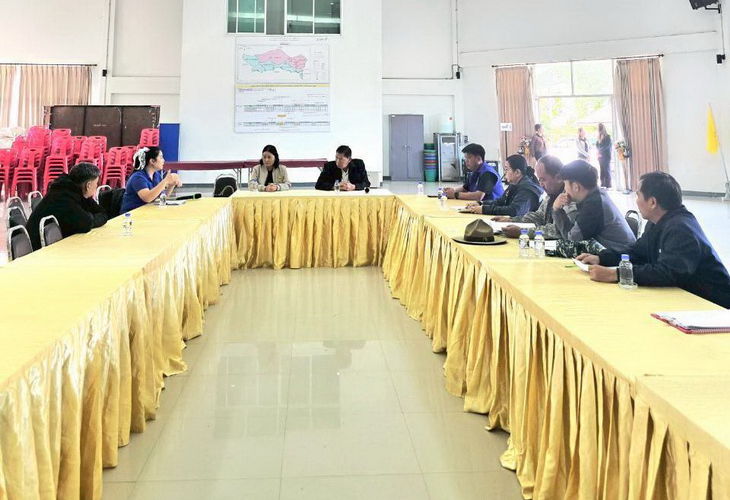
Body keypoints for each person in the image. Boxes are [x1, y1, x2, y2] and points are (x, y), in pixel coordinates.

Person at [577, 172, 730, 307]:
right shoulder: (657, 222)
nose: (636, 201)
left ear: (652, 202)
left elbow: (668, 273)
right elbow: (637, 253)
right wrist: (602, 258)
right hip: (682, 299)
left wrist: (615, 274)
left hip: (712, 305)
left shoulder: (681, 229)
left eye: (638, 195)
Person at [553, 160, 635, 256]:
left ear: (575, 186)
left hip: (620, 258)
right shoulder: (596, 196)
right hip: (612, 254)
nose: (564, 190)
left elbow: (573, 240)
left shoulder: (594, 204)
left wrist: (557, 210)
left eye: (565, 184)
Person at [26, 163, 108, 250]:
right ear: (88, 185)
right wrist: (90, 217)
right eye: (96, 183)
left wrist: (89, 217)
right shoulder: (63, 196)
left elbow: (102, 213)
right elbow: (86, 224)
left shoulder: (79, 191)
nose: (97, 186)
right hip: (38, 249)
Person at [492, 155, 575, 239]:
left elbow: (558, 231)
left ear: (559, 178)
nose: (541, 184)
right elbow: (539, 216)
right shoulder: (552, 194)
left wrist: (523, 232)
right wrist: (511, 220)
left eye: (543, 179)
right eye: (539, 180)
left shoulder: (570, 197)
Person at [467, 154, 542, 217]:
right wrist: (481, 204)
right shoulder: (514, 184)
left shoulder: (527, 189)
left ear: (517, 173)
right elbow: (500, 201)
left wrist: (484, 209)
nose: (505, 173)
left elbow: (513, 211)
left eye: (506, 169)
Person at [120, 147, 182, 213]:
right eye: (161, 157)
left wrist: (172, 184)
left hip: (146, 211)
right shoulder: (137, 177)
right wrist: (165, 181)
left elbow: (163, 195)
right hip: (131, 214)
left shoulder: (156, 175)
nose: (163, 160)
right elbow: (147, 198)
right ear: (152, 161)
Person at [596, 123, 612, 188]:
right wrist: (598, 152)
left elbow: (606, 146)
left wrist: (600, 150)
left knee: (607, 170)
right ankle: (602, 184)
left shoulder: (608, 137)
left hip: (606, 156)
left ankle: (608, 185)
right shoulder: (598, 137)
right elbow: (597, 146)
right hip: (600, 156)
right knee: (602, 170)